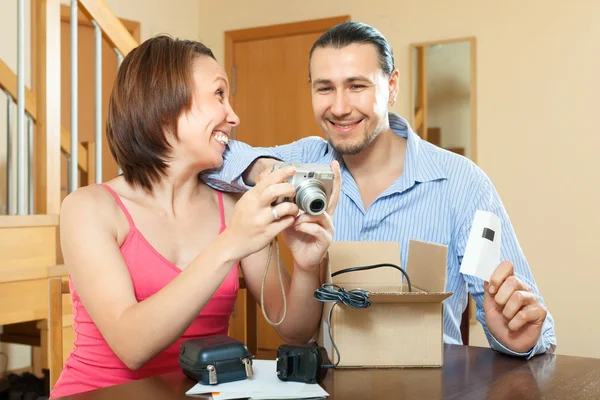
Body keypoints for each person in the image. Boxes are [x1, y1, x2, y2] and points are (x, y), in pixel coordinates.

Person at [203, 21, 556, 358]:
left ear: (392, 87)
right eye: (325, 88)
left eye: (357, 86)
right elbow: (215, 157)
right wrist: (268, 170)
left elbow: (532, 321)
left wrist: (517, 337)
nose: (339, 108)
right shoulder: (305, 159)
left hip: (434, 385)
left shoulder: (463, 184)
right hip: (328, 384)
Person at [51, 35, 341, 398]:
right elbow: (132, 345)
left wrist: (304, 265)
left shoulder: (235, 206)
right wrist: (230, 244)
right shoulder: (88, 207)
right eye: (219, 95)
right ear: (164, 102)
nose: (233, 117)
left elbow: (294, 330)